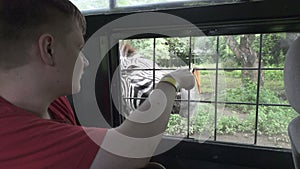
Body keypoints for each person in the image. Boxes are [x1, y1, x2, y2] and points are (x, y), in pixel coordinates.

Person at [0, 0, 195, 169]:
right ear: (49, 49)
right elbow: (131, 144)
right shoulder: (10, 132)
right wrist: (171, 81)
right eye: (78, 47)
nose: (86, 61)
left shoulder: (52, 102)